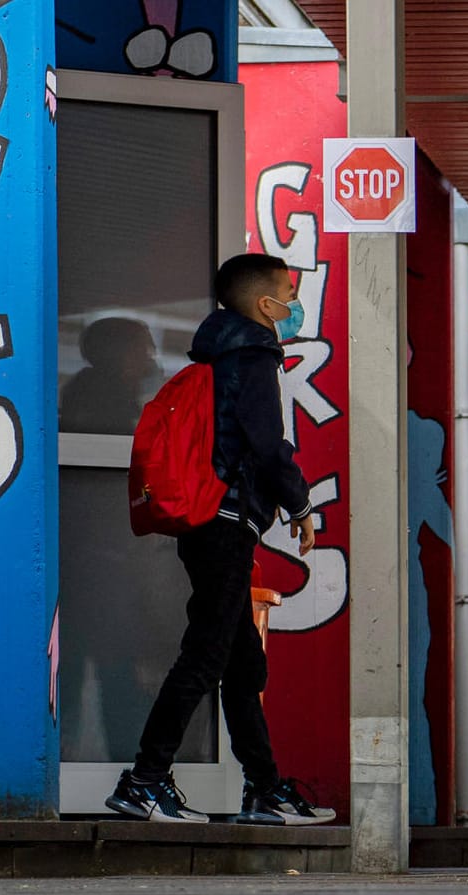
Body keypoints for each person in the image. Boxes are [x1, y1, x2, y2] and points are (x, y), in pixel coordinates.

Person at [105, 253, 334, 827]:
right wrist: (301, 504)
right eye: (288, 292)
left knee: (242, 665)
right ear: (266, 305)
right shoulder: (253, 355)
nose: (294, 304)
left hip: (211, 522)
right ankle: (146, 781)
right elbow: (265, 440)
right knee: (207, 655)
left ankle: (264, 790)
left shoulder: (219, 355)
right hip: (225, 522)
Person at [60, 316, 162, 435]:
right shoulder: (99, 395)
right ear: (122, 353)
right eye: (143, 348)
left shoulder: (116, 390)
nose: (149, 357)